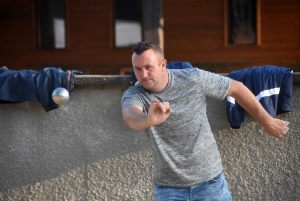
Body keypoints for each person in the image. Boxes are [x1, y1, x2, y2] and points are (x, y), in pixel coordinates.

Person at [121, 41, 289, 201]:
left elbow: (237, 88)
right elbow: (130, 116)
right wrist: (148, 120)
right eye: (138, 69)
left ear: (163, 64)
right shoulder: (135, 93)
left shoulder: (193, 78)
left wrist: (267, 121)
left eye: (148, 67)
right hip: (168, 189)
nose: (143, 75)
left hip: (210, 183)